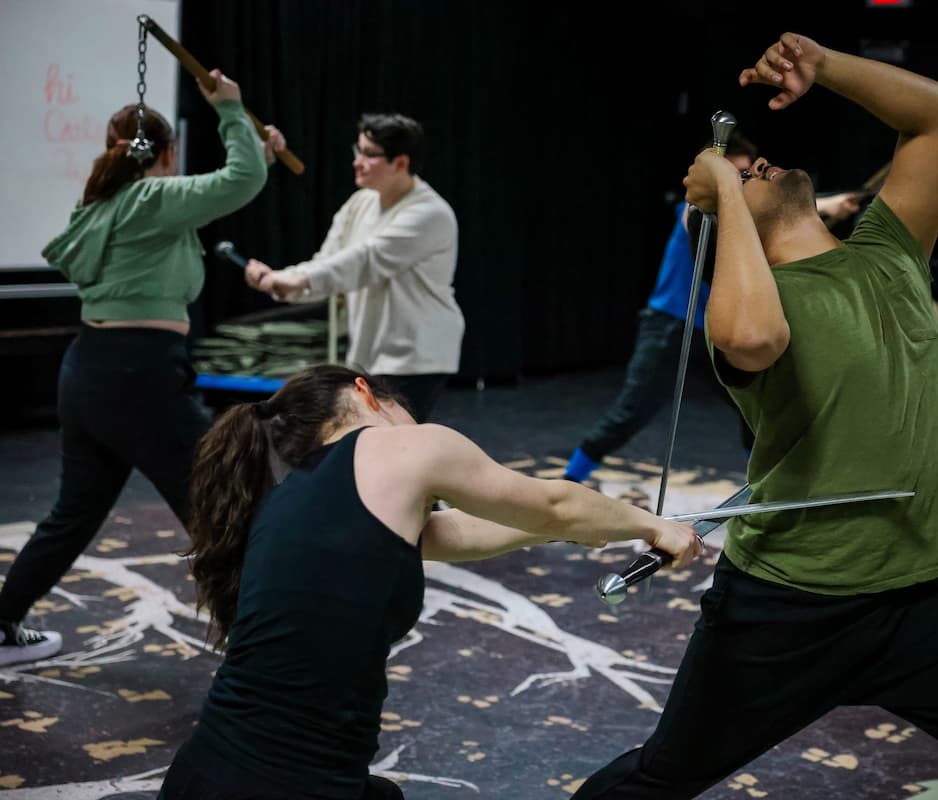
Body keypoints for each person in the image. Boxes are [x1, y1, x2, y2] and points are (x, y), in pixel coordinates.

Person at [572, 32, 938, 799]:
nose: (757, 164)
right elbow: (754, 336)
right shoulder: (746, 310)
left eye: (753, 162)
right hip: (787, 606)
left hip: (915, 595)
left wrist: (824, 68)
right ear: (724, 229)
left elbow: (937, 118)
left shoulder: (886, 248)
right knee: (660, 778)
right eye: (745, 175)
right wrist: (722, 193)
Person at [156, 365, 701, 799]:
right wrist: (654, 525)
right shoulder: (399, 448)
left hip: (212, 771)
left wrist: (556, 532)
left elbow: (461, 531)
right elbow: (555, 501)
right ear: (366, 393)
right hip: (290, 782)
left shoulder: (305, 496)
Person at [0, 70, 285, 667]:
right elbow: (238, 182)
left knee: (74, 514)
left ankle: (1, 624)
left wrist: (257, 153)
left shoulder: (103, 205)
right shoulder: (150, 201)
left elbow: (235, 179)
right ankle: (260, 658)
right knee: (216, 504)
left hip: (88, 373)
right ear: (169, 152)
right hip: (138, 377)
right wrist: (232, 109)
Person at [563, 132, 862, 483]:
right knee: (631, 413)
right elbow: (718, 206)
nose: (742, 185)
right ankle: (570, 481)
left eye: (746, 177)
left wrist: (821, 206)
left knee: (755, 410)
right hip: (672, 325)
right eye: (735, 176)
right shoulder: (695, 209)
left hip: (719, 331)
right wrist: (826, 205)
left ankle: (761, 486)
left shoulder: (747, 224)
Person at [244, 113, 463, 423]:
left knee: (390, 451)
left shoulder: (429, 213)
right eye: (357, 150)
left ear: (401, 163)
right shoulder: (360, 203)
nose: (357, 161)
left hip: (415, 358)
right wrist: (282, 280)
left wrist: (295, 278)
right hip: (370, 356)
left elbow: (363, 260)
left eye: (369, 155)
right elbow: (327, 264)